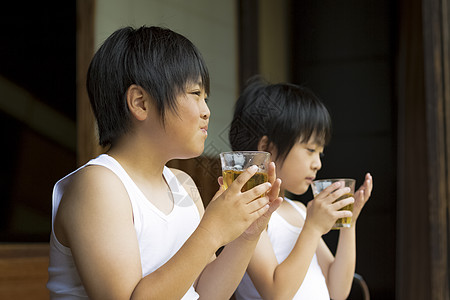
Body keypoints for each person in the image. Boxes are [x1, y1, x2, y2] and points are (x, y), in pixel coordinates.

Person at [47, 26, 283, 299]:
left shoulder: (182, 184)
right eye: (195, 94)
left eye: (206, 98)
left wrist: (247, 234)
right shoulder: (100, 185)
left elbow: (206, 292)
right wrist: (212, 231)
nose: (206, 111)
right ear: (140, 102)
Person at [230, 77, 373, 300]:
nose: (318, 163)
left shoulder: (300, 211)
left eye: (320, 152)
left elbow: (338, 291)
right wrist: (313, 228)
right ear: (266, 147)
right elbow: (277, 293)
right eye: (310, 149)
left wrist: (349, 224)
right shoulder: (249, 211)